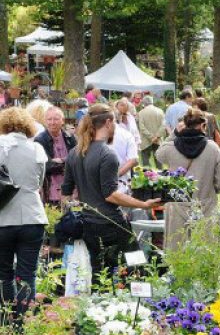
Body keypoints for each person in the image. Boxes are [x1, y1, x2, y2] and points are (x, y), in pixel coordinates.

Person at [61, 104, 160, 281]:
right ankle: (137, 300)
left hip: (87, 222)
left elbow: (66, 192)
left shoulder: (74, 153)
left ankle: (99, 303)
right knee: (136, 263)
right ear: (108, 122)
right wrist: (142, 204)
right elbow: (111, 194)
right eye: (114, 122)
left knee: (98, 270)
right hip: (110, 221)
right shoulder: (107, 154)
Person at [0, 107, 48, 322]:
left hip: (3, 217)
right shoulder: (37, 148)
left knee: (3, 274)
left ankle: (6, 320)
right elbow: (39, 183)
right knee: (27, 274)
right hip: (32, 216)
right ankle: (23, 321)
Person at [156, 108, 220, 216]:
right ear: (203, 125)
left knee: (177, 234)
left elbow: (158, 154)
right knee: (205, 233)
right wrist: (210, 189)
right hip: (205, 207)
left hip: (177, 208)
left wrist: (174, 133)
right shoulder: (212, 148)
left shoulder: (170, 148)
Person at [35, 107, 77, 204]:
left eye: (56, 119)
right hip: (50, 190)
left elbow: (77, 160)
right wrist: (67, 161)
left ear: (62, 121)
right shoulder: (40, 140)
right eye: (49, 119)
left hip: (71, 188)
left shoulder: (70, 137)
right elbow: (47, 166)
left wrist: (60, 160)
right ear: (45, 121)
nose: (52, 122)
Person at [109, 123, 139, 194]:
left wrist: (114, 176)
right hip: (121, 184)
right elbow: (133, 160)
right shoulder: (126, 134)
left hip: (120, 183)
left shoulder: (126, 134)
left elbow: (133, 160)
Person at [137, 95, 166, 168]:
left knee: (146, 162)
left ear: (144, 103)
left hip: (146, 140)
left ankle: (146, 177)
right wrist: (156, 136)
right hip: (158, 140)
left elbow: (141, 127)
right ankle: (161, 177)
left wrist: (151, 137)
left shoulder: (141, 113)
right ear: (152, 102)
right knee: (159, 162)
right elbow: (164, 125)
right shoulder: (160, 111)